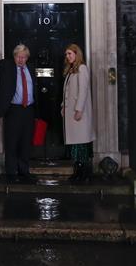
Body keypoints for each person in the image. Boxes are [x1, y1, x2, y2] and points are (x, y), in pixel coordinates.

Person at [0, 37, 35, 183]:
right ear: (14, 56)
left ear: (27, 58)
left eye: (23, 57)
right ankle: (12, 174)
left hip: (28, 110)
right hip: (13, 110)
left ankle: (24, 171)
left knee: (25, 143)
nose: (21, 60)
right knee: (12, 142)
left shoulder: (31, 68)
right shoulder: (7, 66)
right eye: (18, 56)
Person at [61, 43, 94, 183]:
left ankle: (84, 174)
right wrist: (63, 106)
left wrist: (79, 109)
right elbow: (67, 93)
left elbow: (83, 91)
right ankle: (77, 172)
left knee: (80, 145)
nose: (68, 56)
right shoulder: (71, 70)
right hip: (70, 113)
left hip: (78, 114)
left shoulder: (82, 68)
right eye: (66, 54)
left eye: (70, 53)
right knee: (75, 145)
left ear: (76, 54)